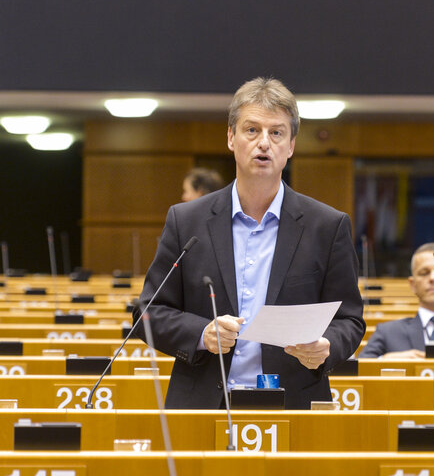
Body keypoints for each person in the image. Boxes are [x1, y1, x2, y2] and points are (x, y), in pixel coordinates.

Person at [134, 77, 365, 409]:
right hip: (202, 402)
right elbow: (148, 313)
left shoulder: (327, 226)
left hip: (292, 402)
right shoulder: (186, 221)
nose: (264, 143)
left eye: (276, 133)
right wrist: (202, 333)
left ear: (291, 146)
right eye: (252, 130)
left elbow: (350, 320)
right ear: (231, 138)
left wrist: (327, 344)